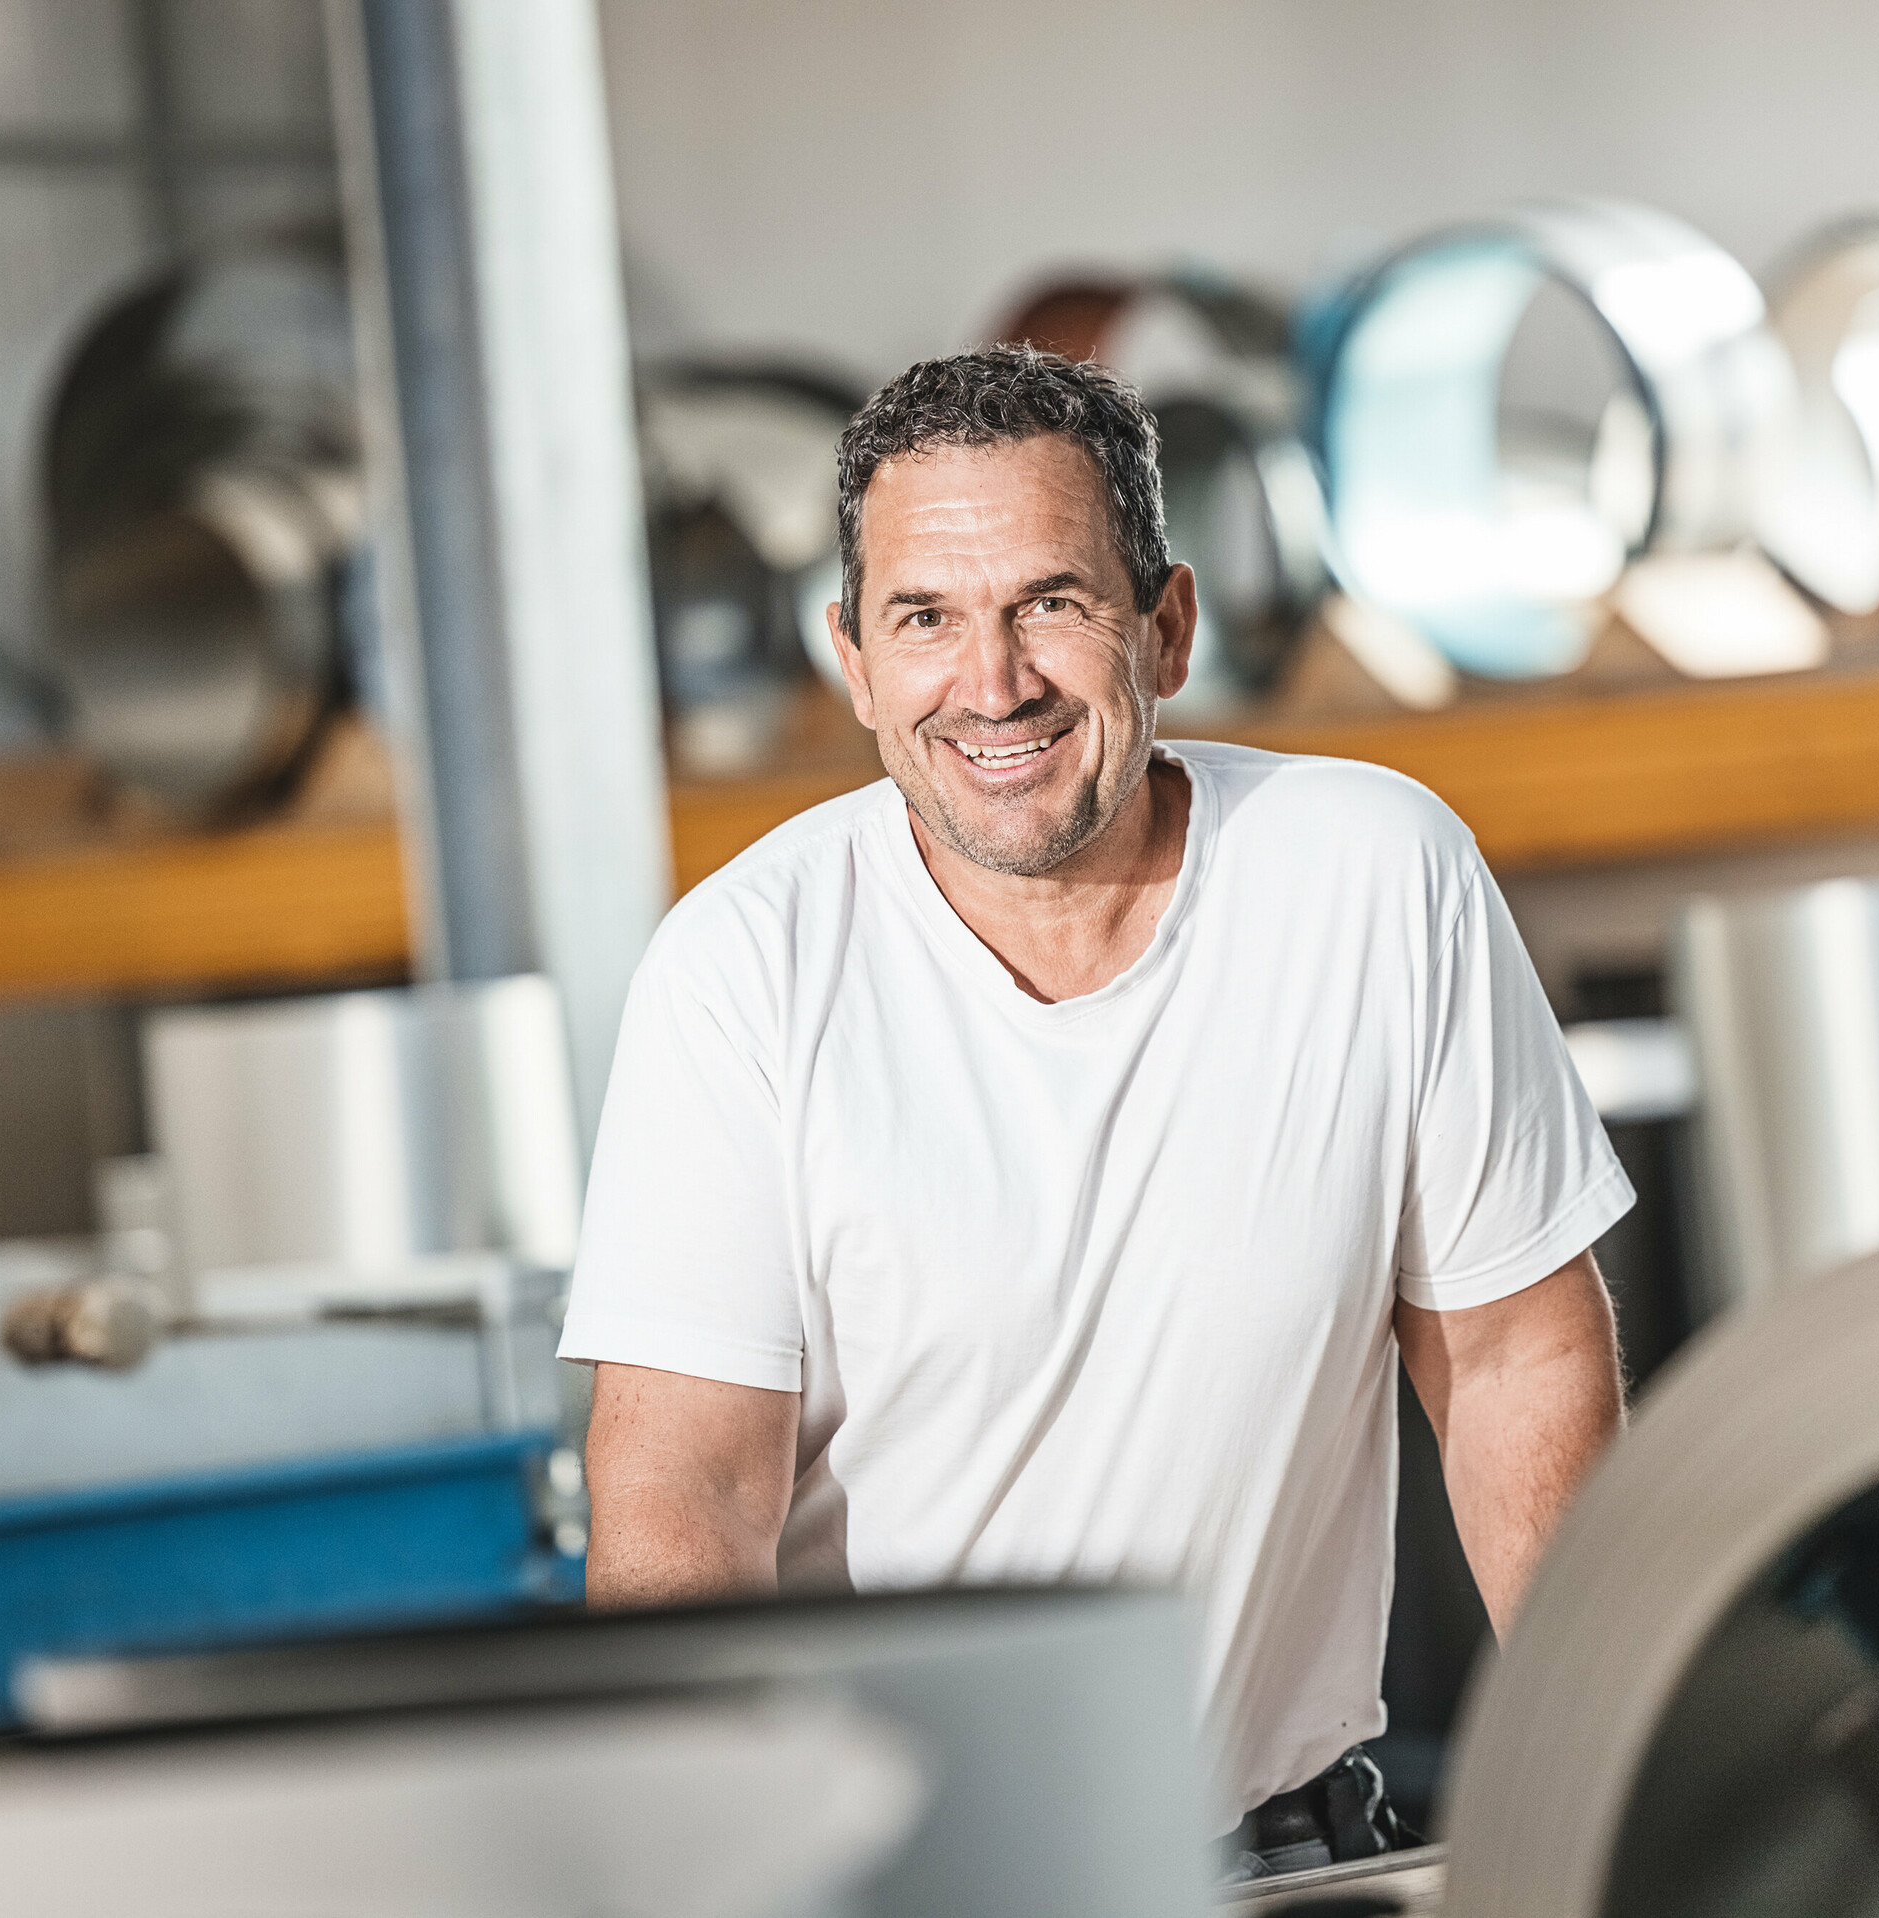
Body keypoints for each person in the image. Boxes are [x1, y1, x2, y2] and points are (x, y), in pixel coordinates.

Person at [557, 345, 1630, 1878]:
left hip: (1286, 1857)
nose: (992, 686)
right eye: (926, 619)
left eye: (1049, 604)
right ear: (853, 658)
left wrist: (1630, 1780)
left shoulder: (1372, 876)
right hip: (905, 1882)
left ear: (1166, 625)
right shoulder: (743, 972)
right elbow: (683, 1501)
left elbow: (1520, 1365)